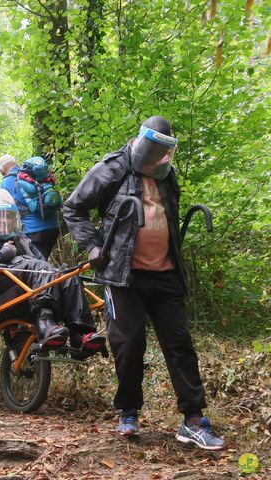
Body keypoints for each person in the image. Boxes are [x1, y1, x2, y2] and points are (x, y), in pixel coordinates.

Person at [63, 116, 225, 450]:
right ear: (142, 143)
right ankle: (128, 411)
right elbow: (73, 208)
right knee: (130, 342)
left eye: (165, 152)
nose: (159, 158)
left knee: (179, 343)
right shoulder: (111, 168)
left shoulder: (167, 174)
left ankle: (193, 420)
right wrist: (93, 245)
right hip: (124, 275)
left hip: (165, 272)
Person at [0, 203, 105, 358]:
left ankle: (80, 334)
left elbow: (47, 270)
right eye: (0, 216)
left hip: (25, 296)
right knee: (37, 266)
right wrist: (3, 254)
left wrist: (61, 275)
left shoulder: (24, 241)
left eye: (9, 216)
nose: (4, 220)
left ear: (15, 220)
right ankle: (45, 324)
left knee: (68, 275)